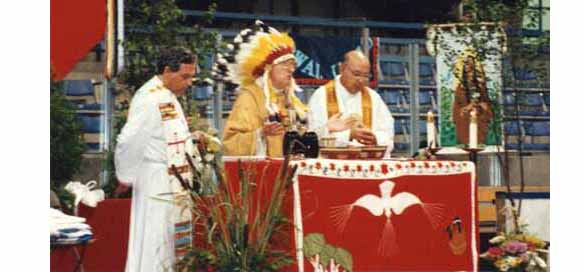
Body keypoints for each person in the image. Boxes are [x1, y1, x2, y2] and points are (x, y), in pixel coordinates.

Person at [114, 46, 200, 271]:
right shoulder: (149, 98)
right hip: (156, 182)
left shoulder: (168, 95)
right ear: (166, 71)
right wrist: (127, 176)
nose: (189, 82)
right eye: (185, 76)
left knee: (170, 242)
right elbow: (129, 140)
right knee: (155, 240)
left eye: (192, 76)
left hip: (174, 182)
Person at [213, 20, 307, 157]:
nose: (291, 70)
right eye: (285, 65)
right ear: (268, 69)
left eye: (293, 65)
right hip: (263, 173)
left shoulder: (290, 100)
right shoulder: (249, 97)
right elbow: (231, 143)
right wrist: (261, 133)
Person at [307, 50, 394, 156]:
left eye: (366, 76)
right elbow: (314, 136)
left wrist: (375, 138)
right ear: (342, 69)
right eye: (356, 74)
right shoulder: (321, 96)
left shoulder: (373, 98)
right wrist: (349, 135)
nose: (361, 80)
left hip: (367, 166)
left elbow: (388, 134)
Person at [452, 50, 493, 145]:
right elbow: (457, 110)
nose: (468, 68)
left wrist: (483, 106)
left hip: (479, 118)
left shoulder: (481, 86)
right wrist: (468, 107)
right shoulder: (460, 88)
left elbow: (487, 104)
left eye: (470, 65)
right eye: (466, 64)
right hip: (465, 120)